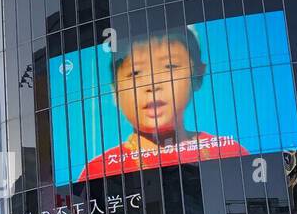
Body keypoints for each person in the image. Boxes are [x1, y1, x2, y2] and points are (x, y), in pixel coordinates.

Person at [77, 27, 249, 180]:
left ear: (197, 76)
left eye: (169, 66)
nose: (152, 84)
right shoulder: (99, 170)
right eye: (135, 73)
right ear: (115, 90)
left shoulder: (228, 151)